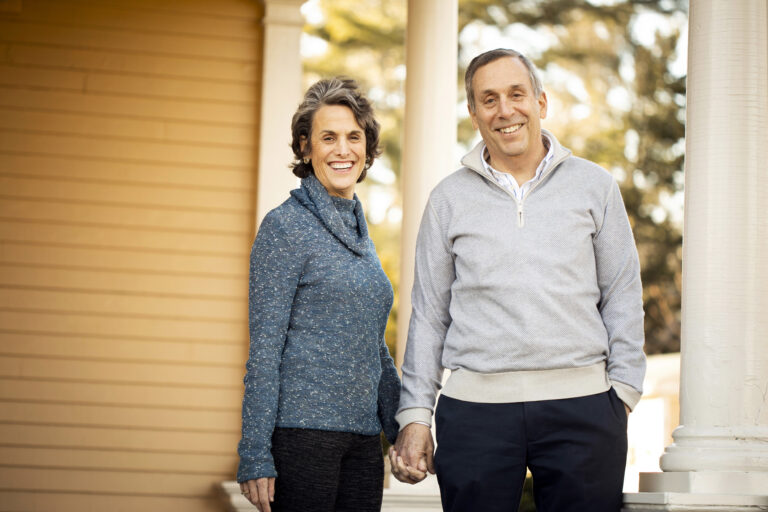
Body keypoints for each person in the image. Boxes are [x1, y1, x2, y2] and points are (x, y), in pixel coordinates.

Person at [389, 48, 646, 512]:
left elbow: (622, 293)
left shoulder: (595, 186)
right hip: (473, 412)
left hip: (585, 408)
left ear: (540, 103)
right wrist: (414, 415)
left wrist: (622, 393)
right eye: (489, 99)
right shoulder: (448, 199)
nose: (505, 110)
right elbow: (428, 314)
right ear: (473, 114)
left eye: (516, 94)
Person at [237, 77, 400, 512]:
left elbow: (373, 347)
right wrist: (255, 452)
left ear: (367, 148)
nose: (343, 150)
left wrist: (402, 428)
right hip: (302, 438)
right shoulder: (285, 227)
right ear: (306, 148)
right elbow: (265, 348)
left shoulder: (360, 233)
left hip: (364, 441)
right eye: (328, 138)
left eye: (353, 137)